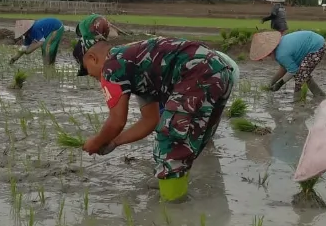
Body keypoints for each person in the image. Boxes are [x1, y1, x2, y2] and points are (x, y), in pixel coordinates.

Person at [73, 33, 238, 200]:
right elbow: (150, 120)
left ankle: (172, 208)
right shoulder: (135, 65)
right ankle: (176, 193)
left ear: (93, 58)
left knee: (170, 141)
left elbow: (117, 121)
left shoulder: (110, 66)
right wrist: (114, 142)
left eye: (87, 70)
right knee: (187, 144)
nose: (93, 77)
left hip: (195, 71)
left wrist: (96, 142)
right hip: (220, 70)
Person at [250, 28, 326, 98]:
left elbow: (293, 70)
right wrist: (271, 83)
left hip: (316, 46)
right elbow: (284, 69)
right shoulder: (279, 46)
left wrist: (279, 84)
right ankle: (320, 95)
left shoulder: (281, 54)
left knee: (299, 77)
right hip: (315, 41)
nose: (268, 57)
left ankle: (297, 102)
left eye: (268, 54)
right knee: (303, 73)